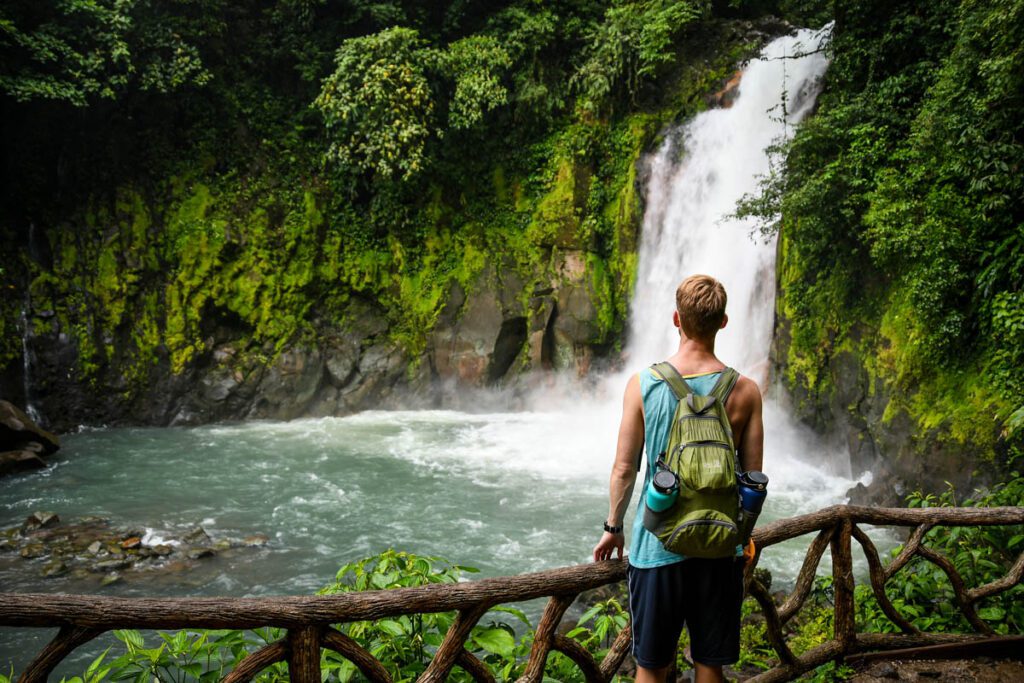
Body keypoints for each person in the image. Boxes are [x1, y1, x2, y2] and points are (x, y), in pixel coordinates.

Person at [593, 274, 764, 683]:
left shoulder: (643, 384)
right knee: (709, 665)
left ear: (675, 318)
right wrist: (744, 537)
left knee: (651, 669)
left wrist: (613, 527)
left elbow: (624, 468)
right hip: (720, 547)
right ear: (723, 323)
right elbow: (753, 477)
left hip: (656, 545)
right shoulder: (746, 391)